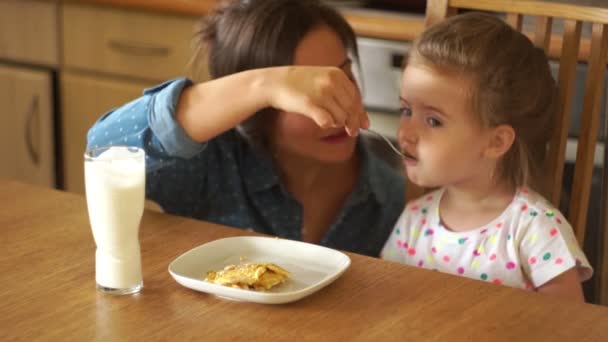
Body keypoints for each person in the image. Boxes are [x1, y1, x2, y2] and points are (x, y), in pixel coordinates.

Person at [86, 0, 405, 257]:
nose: (335, 109)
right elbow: (104, 149)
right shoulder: (209, 169)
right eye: (304, 93)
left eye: (341, 77)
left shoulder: (389, 196)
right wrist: (263, 83)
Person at [381, 12, 592, 301]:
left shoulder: (534, 228)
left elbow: (571, 328)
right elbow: (384, 304)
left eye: (433, 121)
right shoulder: (413, 220)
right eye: (406, 111)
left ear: (496, 141)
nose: (406, 133)